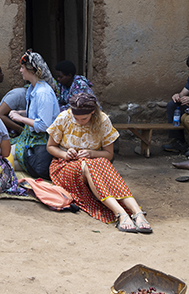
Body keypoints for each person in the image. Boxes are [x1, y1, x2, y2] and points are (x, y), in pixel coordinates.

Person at [47, 93, 151, 233]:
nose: (79, 121)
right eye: (76, 118)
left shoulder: (103, 120)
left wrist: (91, 153)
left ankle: (137, 212)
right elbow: (50, 147)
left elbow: (108, 154)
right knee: (88, 165)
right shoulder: (64, 118)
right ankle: (120, 213)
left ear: (93, 112)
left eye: (84, 118)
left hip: (95, 163)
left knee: (100, 162)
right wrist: (65, 154)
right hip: (64, 166)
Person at [8, 50, 60, 180]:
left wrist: (21, 119)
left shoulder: (43, 93)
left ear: (31, 70)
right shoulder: (33, 88)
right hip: (30, 137)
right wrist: (20, 113)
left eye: (22, 67)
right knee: (5, 155)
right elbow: (36, 113)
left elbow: (43, 124)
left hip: (41, 140)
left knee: (6, 159)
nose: (20, 70)